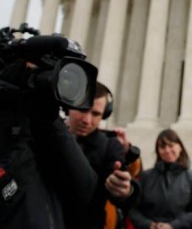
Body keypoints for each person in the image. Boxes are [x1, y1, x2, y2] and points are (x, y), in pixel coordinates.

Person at [0, 58, 97, 228]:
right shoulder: (11, 128)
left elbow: (85, 187)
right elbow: (10, 188)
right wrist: (12, 112)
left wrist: (49, 118)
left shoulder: (47, 126)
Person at [65, 81, 139, 229]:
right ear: (68, 106)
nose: (87, 120)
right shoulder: (46, 134)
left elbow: (121, 189)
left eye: (95, 114)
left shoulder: (110, 146)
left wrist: (125, 190)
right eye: (82, 109)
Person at [129, 128, 192, 229]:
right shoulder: (145, 177)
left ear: (180, 147)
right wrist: (150, 225)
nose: (167, 150)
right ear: (158, 151)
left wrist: (173, 226)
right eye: (162, 147)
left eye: (171, 145)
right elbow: (133, 208)